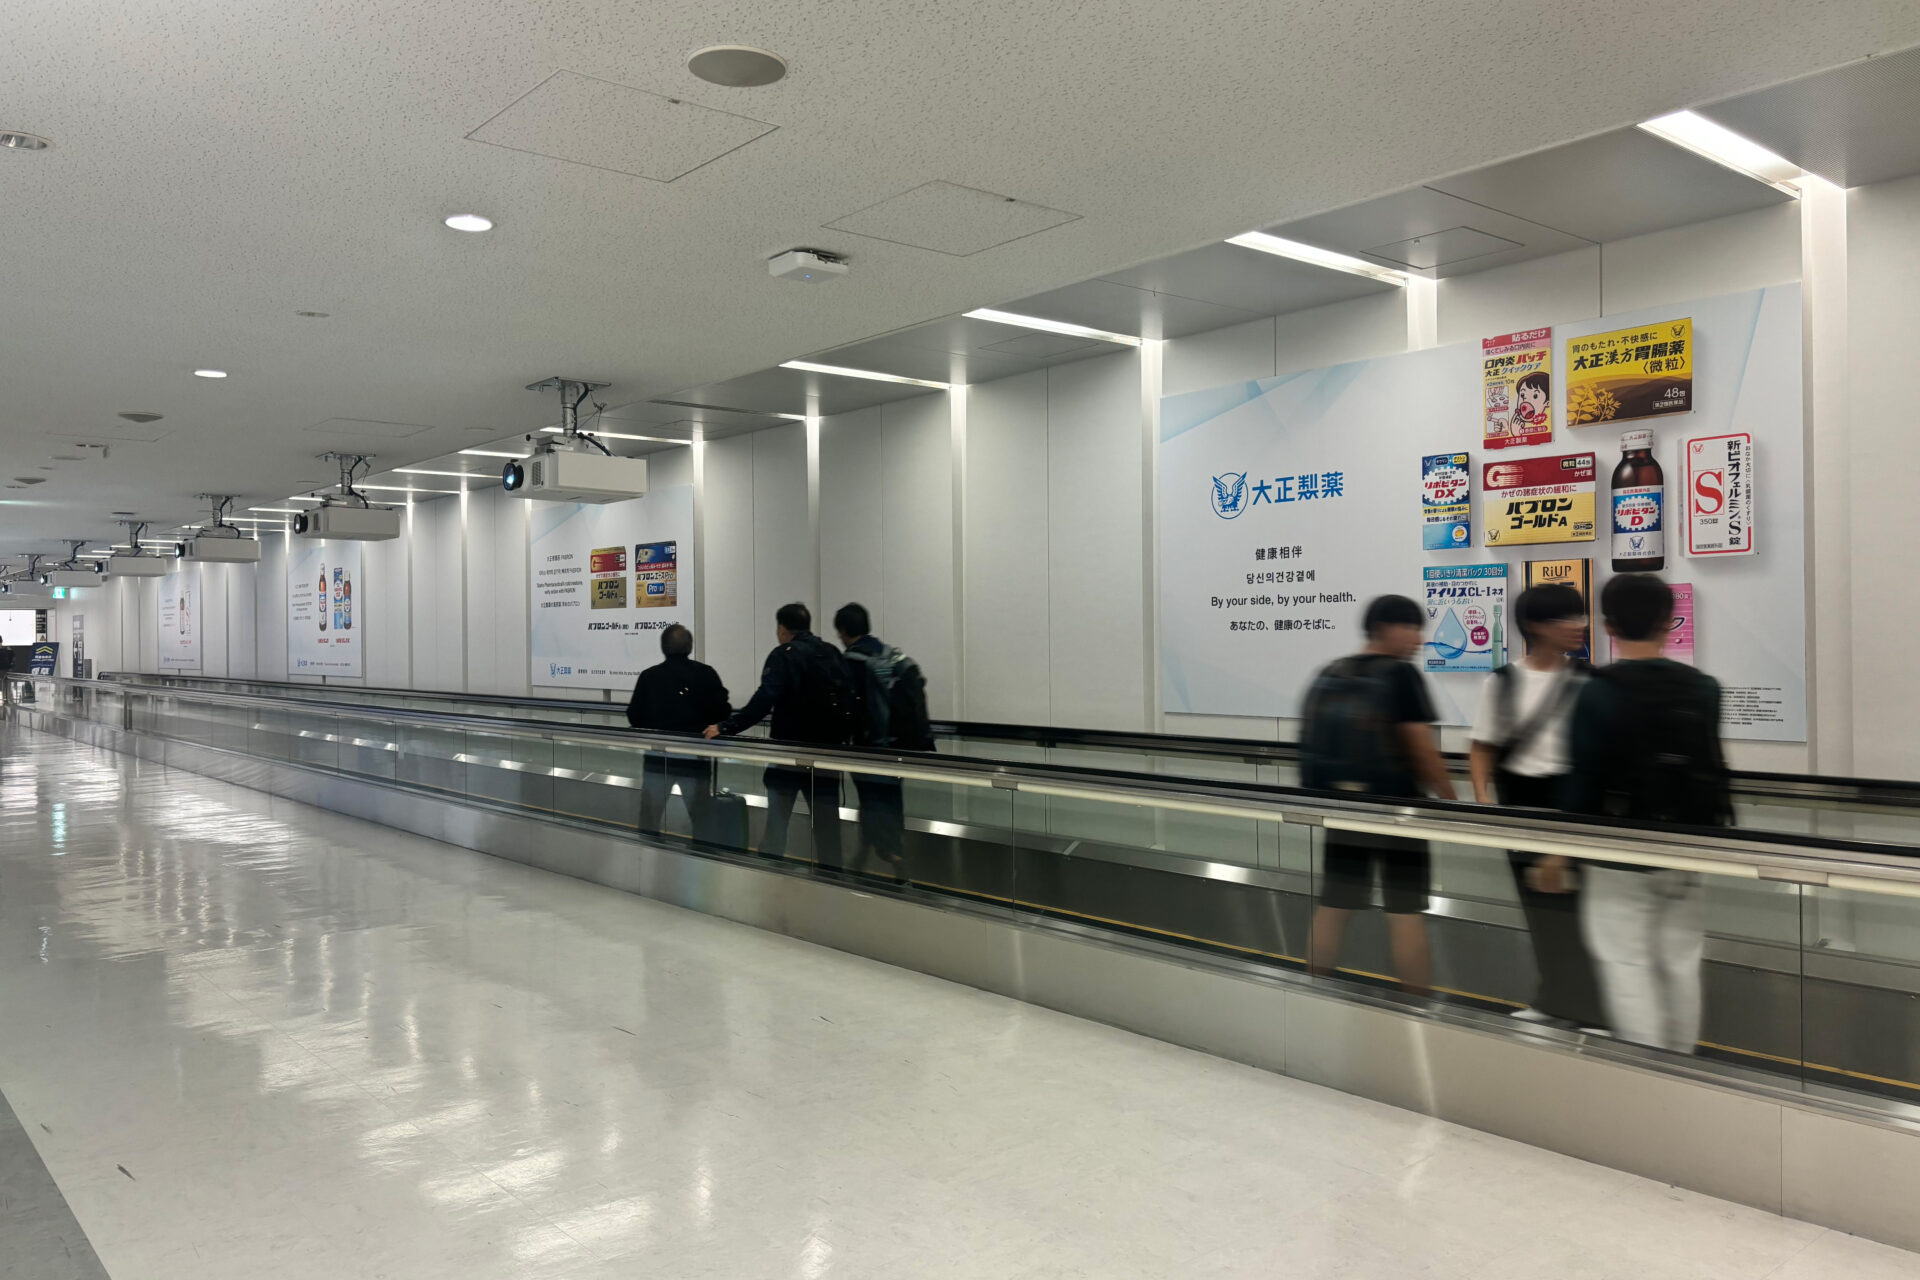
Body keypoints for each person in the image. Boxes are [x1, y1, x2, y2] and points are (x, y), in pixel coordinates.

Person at [1534, 574, 1733, 1054]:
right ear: (1669, 622)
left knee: (1627, 965)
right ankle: (1680, 1062)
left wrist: (1558, 853)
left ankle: (1648, 1070)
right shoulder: (1704, 688)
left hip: (1617, 853)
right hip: (1686, 849)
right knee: (1680, 962)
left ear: (1608, 626)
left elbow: (1582, 780)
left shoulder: (1594, 692)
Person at [1301, 594, 1457, 996]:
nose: (1419, 640)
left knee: (1334, 905)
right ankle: (1417, 1008)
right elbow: (1421, 748)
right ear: (1386, 628)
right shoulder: (1401, 675)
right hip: (1396, 813)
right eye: (1412, 628)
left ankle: (1310, 993)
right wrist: (1450, 799)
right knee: (1405, 912)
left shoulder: (1331, 671)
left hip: (1343, 811)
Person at [1469, 585, 1606, 1030]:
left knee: (1581, 911)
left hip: (1574, 804)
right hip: (1520, 805)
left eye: (1580, 616)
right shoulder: (1502, 681)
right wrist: (1484, 800)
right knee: (1539, 910)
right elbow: (1483, 746)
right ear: (1535, 626)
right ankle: (1555, 1002)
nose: (1580, 625)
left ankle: (1592, 1009)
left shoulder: (1589, 679)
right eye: (1567, 618)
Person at [705, 602, 854, 867]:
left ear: (782, 629)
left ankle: (770, 871)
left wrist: (727, 727)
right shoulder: (831, 652)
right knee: (827, 824)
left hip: (787, 752)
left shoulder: (783, 655)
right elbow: (849, 699)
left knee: (777, 820)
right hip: (827, 755)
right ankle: (832, 876)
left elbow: (765, 699)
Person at [834, 602, 933, 882]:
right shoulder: (890, 655)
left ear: (843, 631)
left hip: (867, 747)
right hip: (898, 746)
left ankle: (896, 858)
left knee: (874, 800)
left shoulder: (852, 661)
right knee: (886, 799)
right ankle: (865, 855)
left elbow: (845, 708)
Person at [626, 623, 730, 841]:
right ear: (690, 647)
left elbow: (634, 716)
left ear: (663, 648)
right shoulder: (706, 674)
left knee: (650, 816)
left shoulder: (650, 677)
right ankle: (703, 853)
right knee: (701, 817)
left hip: (658, 757)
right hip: (696, 757)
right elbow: (722, 712)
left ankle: (646, 852)